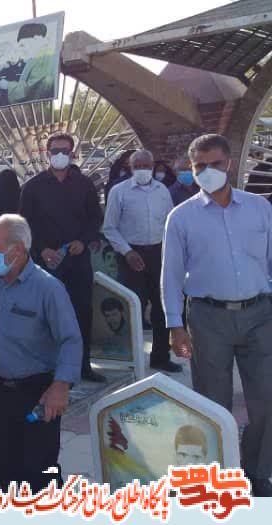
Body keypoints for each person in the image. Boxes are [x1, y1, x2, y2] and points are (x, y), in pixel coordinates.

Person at [161, 133, 272, 497]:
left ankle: (258, 472)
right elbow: (171, 275)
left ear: (230, 163)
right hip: (208, 319)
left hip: (260, 314)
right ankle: (220, 474)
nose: (208, 171)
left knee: (266, 399)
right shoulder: (181, 217)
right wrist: (174, 325)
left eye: (216, 164)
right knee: (212, 401)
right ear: (191, 169)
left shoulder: (259, 208)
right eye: (200, 166)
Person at [0, 214, 82, 489]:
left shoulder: (48, 288)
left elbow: (70, 340)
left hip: (37, 392)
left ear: (19, 249)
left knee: (40, 470)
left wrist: (61, 386)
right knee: (3, 468)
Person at [19, 132, 106, 383]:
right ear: (47, 154)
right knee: (46, 314)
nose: (60, 155)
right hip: (46, 262)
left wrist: (83, 240)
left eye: (64, 151)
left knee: (82, 312)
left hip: (77, 260)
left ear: (72, 153)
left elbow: (94, 218)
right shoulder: (33, 187)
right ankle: (48, 368)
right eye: (55, 151)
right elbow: (24, 224)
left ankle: (83, 365)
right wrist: (41, 249)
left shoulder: (84, 184)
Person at [101, 149, 181, 372]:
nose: (143, 170)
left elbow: (169, 223)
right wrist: (127, 252)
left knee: (161, 307)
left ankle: (160, 357)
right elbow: (110, 227)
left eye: (147, 166)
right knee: (132, 307)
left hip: (158, 253)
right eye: (138, 166)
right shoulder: (119, 192)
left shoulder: (162, 190)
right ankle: (132, 358)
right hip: (130, 255)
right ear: (131, 167)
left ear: (153, 166)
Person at [5, 22, 54, 104]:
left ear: (36, 39)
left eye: (22, 45)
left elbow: (34, 84)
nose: (21, 50)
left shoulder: (46, 57)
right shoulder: (37, 56)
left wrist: (7, 85)